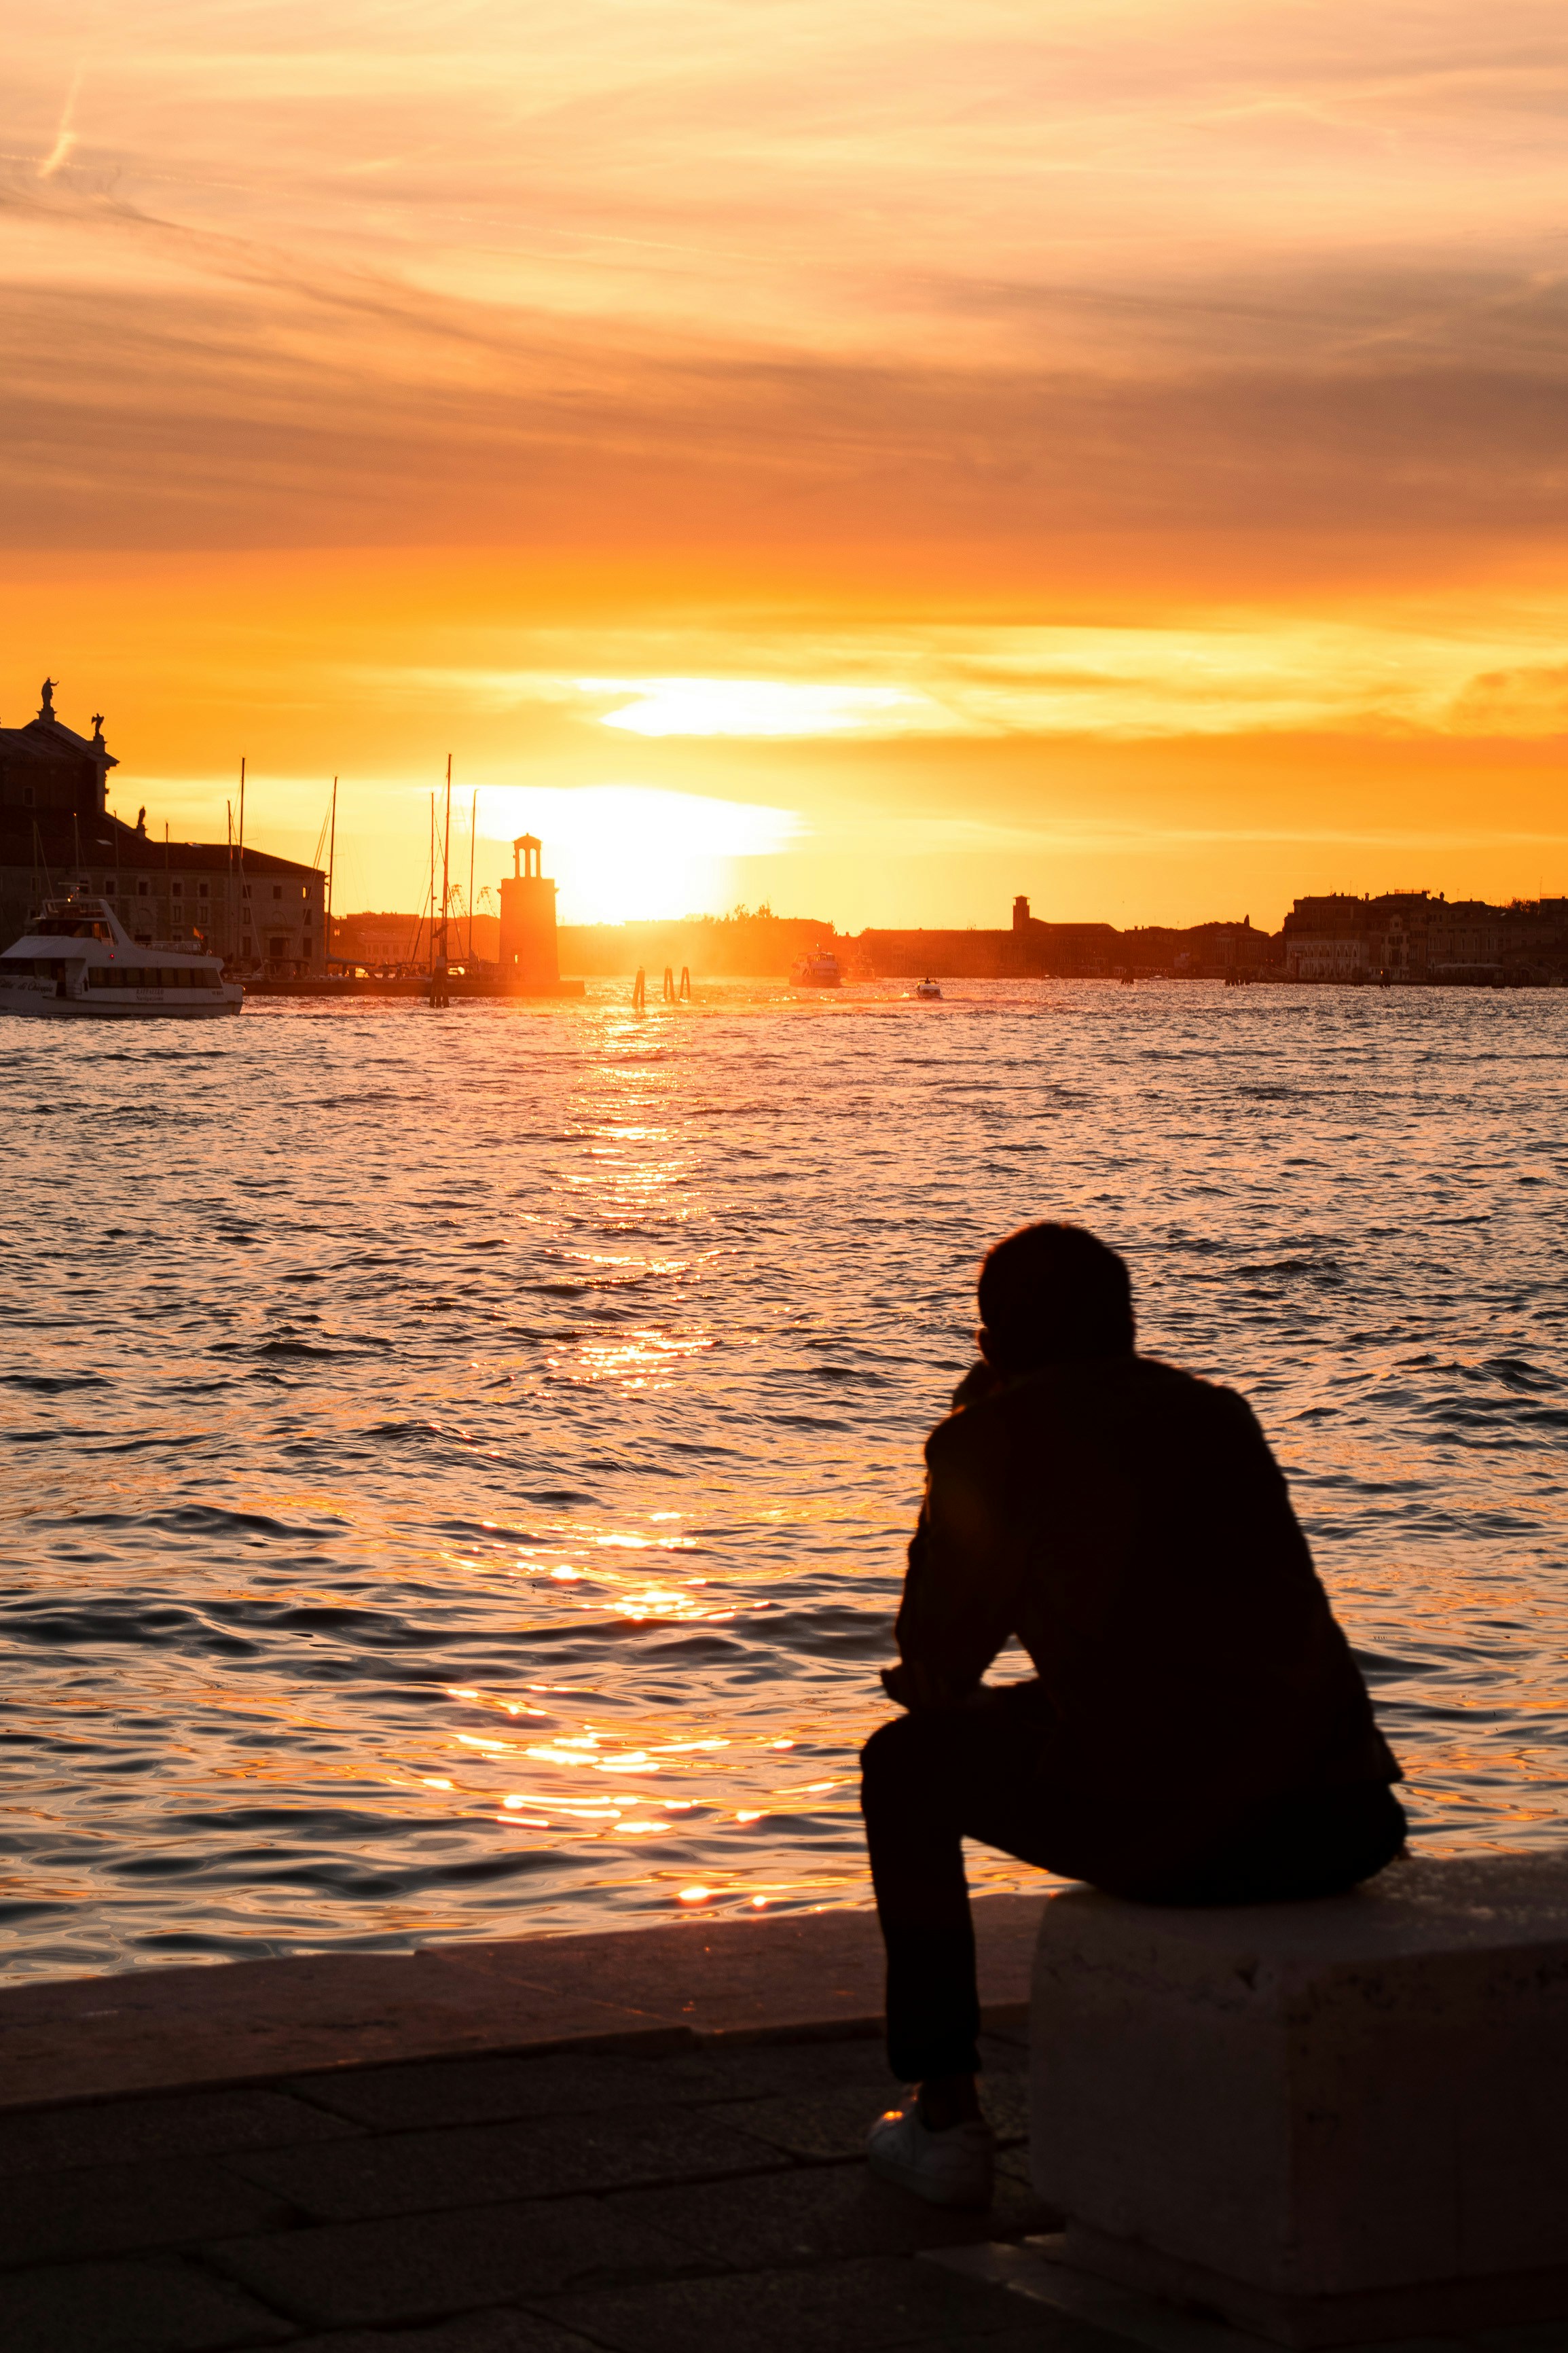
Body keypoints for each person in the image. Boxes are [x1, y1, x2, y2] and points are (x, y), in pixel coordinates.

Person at [862, 1221, 1405, 2208]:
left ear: (990, 1346)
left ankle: (944, 2117)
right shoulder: (1216, 1414)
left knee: (902, 1765)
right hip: (1345, 1818)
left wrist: (951, 1465)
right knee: (1081, 1713)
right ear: (1126, 1324)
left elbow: (936, 1667)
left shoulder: (990, 1436)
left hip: (1188, 1841)